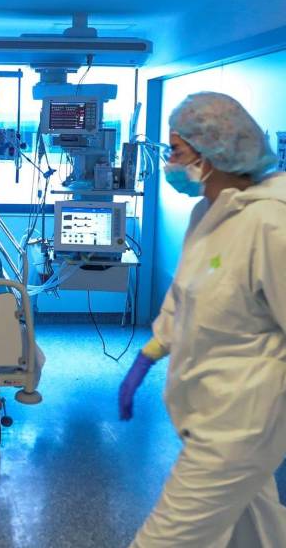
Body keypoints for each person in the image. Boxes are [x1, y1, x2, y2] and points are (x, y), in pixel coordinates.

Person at [119, 92, 286, 547]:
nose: (169, 163)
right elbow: (186, 294)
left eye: (176, 151)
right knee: (256, 527)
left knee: (163, 539)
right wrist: (149, 354)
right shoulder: (208, 213)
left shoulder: (270, 224)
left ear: (213, 153)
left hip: (241, 420)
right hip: (208, 405)